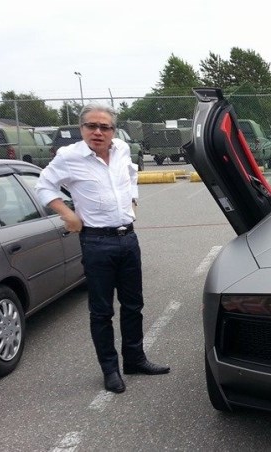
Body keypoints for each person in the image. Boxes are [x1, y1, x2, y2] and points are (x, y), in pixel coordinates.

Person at [36, 104, 169, 393]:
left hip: (128, 239)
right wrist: (67, 214)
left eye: (104, 127)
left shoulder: (121, 148)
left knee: (134, 304)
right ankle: (110, 369)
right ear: (82, 129)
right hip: (97, 242)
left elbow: (131, 175)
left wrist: (132, 201)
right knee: (101, 311)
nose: (98, 132)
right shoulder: (69, 157)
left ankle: (135, 359)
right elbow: (44, 186)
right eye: (91, 126)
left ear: (113, 131)